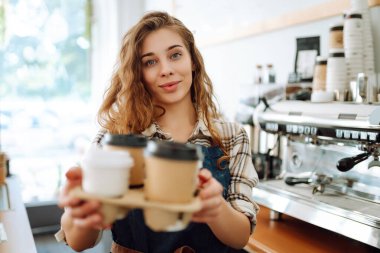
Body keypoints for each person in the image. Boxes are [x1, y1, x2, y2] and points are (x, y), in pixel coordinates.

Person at [57, 11, 259, 253]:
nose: (166, 69)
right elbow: (80, 242)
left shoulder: (231, 137)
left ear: (192, 61)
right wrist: (81, 212)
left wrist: (214, 206)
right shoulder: (115, 139)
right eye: (150, 62)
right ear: (138, 73)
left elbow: (240, 238)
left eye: (175, 55)